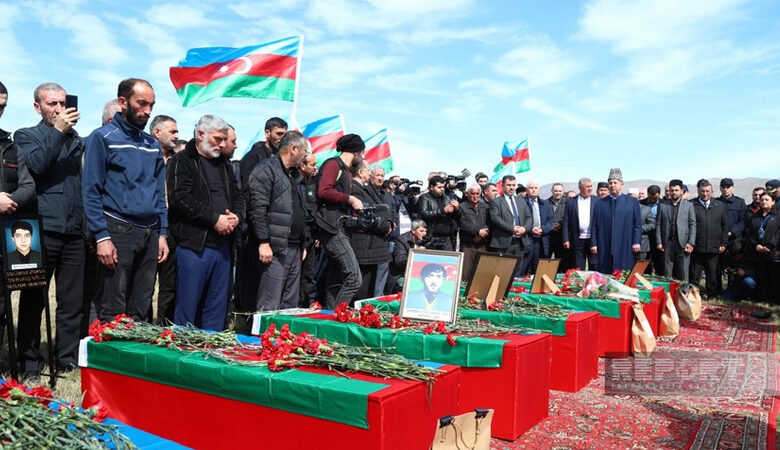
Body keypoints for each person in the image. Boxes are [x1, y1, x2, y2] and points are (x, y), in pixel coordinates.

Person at [83, 78, 169, 324]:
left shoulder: (152, 145)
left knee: (142, 304)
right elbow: (91, 190)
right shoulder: (103, 138)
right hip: (118, 229)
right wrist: (101, 237)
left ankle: (134, 360)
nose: (148, 111)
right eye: (142, 103)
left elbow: (158, 194)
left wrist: (162, 233)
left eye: (151, 105)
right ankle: (106, 361)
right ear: (123, 102)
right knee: (112, 305)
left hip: (150, 232)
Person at [15, 82, 84, 374]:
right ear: (37, 107)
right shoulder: (26, 135)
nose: (58, 109)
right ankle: (29, 361)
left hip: (74, 231)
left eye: (61, 103)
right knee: (34, 300)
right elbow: (38, 166)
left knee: (71, 302)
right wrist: (58, 131)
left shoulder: (76, 138)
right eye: (51, 103)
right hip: (42, 229)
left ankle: (65, 359)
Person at [247, 131, 308, 311]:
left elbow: (299, 209)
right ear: (293, 149)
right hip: (275, 246)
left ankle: (283, 339)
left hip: (294, 247)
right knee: (269, 301)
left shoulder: (294, 175)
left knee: (289, 304)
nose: (305, 156)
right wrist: (264, 241)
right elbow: (258, 208)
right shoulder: (266, 169)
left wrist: (303, 241)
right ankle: (262, 338)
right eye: (304, 151)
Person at [237, 117, 288, 310]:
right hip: (254, 228)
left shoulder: (280, 161)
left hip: (274, 229)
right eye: (278, 134)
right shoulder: (254, 158)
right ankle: (246, 319)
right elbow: (251, 195)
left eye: (285, 134)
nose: (282, 138)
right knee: (251, 278)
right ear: (267, 133)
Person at [315, 133, 365, 308]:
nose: (363, 157)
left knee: (336, 280)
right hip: (331, 227)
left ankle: (330, 315)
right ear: (357, 152)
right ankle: (339, 316)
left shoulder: (345, 170)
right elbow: (323, 191)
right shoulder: (333, 164)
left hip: (339, 226)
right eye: (362, 153)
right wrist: (349, 199)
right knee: (354, 278)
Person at [347, 158, 394, 301]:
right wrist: (385, 227)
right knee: (362, 288)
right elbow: (367, 215)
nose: (370, 173)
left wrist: (390, 223)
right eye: (368, 170)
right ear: (361, 172)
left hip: (373, 245)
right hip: (364, 244)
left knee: (370, 287)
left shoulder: (368, 190)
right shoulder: (355, 189)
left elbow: (386, 211)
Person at [149, 114, 179, 324]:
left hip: (173, 230)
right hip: (148, 227)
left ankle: (164, 328)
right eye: (173, 131)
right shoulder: (144, 155)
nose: (177, 136)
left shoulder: (179, 160)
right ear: (157, 132)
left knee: (170, 285)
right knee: (145, 285)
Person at [590, 169, 641, 273]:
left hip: (625, 243)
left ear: (621, 184)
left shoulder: (632, 202)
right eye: (610, 183)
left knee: (624, 272)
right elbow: (594, 226)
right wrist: (594, 243)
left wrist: (636, 242)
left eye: (615, 182)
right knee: (605, 273)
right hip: (605, 244)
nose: (612, 185)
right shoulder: (600, 203)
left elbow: (637, 224)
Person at [690, 179, 728, 298]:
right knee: (694, 275)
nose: (705, 194)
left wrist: (723, 243)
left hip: (714, 246)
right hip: (696, 246)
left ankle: (712, 296)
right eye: (702, 191)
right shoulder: (691, 205)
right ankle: (694, 296)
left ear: (712, 191)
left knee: (712, 274)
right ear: (698, 191)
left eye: (707, 191)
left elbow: (725, 226)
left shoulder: (719, 205)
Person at [488, 175, 532, 277]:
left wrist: (524, 228)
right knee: (502, 272)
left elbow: (529, 217)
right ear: (502, 186)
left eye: (513, 185)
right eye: (508, 185)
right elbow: (495, 218)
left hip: (519, 242)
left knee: (517, 271)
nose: (511, 187)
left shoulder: (521, 201)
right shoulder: (496, 202)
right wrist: (512, 229)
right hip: (503, 242)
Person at [654, 179, 696, 281]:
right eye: (672, 190)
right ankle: (669, 294)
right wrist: (659, 242)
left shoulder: (689, 206)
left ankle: (684, 293)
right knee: (667, 272)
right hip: (667, 243)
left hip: (683, 243)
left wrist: (691, 242)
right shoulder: (663, 205)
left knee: (683, 271)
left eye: (676, 190)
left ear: (682, 191)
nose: (674, 193)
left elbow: (692, 224)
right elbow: (658, 224)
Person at [741, 192, 778, 302]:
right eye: (762, 200)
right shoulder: (754, 217)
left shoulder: (777, 216)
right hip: (756, 253)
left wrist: (770, 245)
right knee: (759, 276)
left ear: (773, 201)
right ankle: (759, 298)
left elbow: (778, 233)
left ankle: (772, 300)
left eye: (767, 199)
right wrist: (756, 245)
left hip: (772, 253)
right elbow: (749, 233)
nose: (764, 202)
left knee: (772, 277)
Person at [369, 165, 398, 296]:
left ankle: (377, 299)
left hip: (386, 239)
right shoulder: (366, 191)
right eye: (377, 175)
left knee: (382, 273)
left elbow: (393, 213)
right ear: (371, 176)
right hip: (371, 238)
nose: (380, 178)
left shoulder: (387, 195)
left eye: (382, 175)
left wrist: (391, 225)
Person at [562, 177, 598, 270]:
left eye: (591, 186)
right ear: (580, 188)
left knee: (594, 265)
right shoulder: (571, 202)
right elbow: (566, 222)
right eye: (587, 187)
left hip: (593, 240)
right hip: (577, 240)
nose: (590, 189)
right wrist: (566, 239)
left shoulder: (597, 201)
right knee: (578, 266)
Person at [518, 181, 553, 276]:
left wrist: (542, 229)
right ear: (526, 190)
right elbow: (519, 221)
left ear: (539, 190)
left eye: (536, 188)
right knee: (522, 268)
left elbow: (551, 221)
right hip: (526, 239)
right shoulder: (520, 203)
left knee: (537, 269)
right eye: (531, 188)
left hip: (541, 241)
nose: (533, 190)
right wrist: (530, 229)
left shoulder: (545, 204)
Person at [298, 152, 319, 306]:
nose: (315, 168)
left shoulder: (313, 184)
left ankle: (304, 305)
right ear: (302, 165)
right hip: (299, 237)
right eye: (312, 164)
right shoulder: (295, 183)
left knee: (309, 275)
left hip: (311, 237)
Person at [417, 175, 459, 250]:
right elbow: (424, 214)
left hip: (447, 239)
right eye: (439, 187)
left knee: (447, 261)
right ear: (432, 187)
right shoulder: (424, 198)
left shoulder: (447, 198)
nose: (442, 189)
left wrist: (457, 209)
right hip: (431, 238)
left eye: (443, 187)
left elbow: (455, 217)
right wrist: (443, 211)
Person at [459, 184, 489, 280]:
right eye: (472, 194)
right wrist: (477, 232)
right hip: (468, 246)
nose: (475, 196)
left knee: (481, 275)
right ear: (467, 194)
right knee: (465, 276)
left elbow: (490, 222)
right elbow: (462, 223)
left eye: (477, 194)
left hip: (482, 245)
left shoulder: (486, 207)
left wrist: (482, 234)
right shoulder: (461, 207)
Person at [392, 219, 428, 288]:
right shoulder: (401, 240)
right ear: (413, 231)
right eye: (421, 231)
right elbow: (400, 262)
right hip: (400, 274)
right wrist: (416, 253)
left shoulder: (424, 241)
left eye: (425, 231)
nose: (424, 233)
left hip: (418, 273)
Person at [640, 185, 663, 274]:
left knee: (659, 261)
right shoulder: (641, 203)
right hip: (645, 237)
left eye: (655, 197)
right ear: (648, 194)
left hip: (659, 236)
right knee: (646, 261)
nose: (653, 199)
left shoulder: (664, 203)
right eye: (651, 197)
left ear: (659, 194)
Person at [547, 182, 568, 271]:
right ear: (552, 191)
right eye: (555, 191)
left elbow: (569, 219)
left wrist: (561, 225)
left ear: (563, 192)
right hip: (548, 236)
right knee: (546, 260)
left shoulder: (568, 204)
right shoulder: (545, 203)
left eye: (560, 191)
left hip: (561, 236)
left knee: (561, 261)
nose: (558, 193)